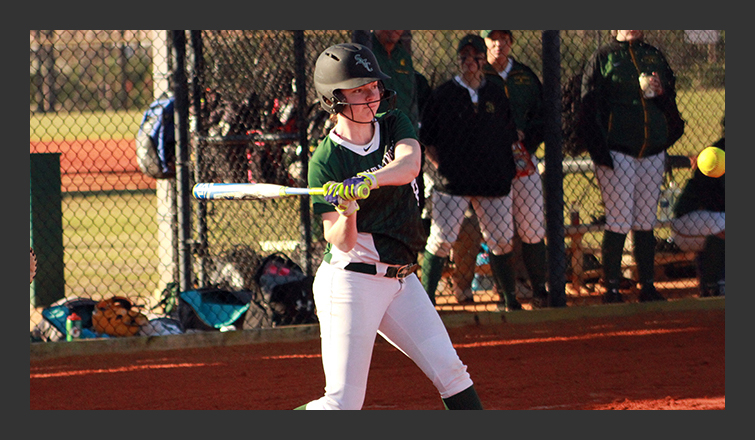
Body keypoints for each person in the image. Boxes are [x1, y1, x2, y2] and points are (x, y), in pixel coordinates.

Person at [299, 42, 483, 410]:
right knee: (342, 404)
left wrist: (369, 179)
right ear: (334, 99)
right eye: (360, 90)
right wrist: (348, 209)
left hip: (402, 279)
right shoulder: (325, 161)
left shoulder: (392, 122)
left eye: (374, 88)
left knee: (452, 373)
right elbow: (340, 241)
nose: (372, 97)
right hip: (352, 283)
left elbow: (410, 165)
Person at [579, 30, 685, 303]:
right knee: (619, 219)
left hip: (652, 149)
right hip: (617, 151)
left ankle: (647, 285)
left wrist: (661, 93)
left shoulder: (652, 55)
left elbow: (669, 98)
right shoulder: (603, 56)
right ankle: (611, 287)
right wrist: (600, 150)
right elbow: (587, 106)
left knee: (645, 221)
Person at [419, 34, 520, 311]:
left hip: (492, 180)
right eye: (464, 56)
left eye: (476, 56)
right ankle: (427, 302)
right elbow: (427, 139)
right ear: (459, 60)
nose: (470, 62)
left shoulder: (496, 94)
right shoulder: (443, 94)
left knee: (500, 240)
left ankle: (510, 299)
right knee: (441, 240)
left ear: (483, 60)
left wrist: (507, 169)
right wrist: (443, 167)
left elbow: (510, 136)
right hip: (453, 182)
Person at [671, 117, 725, 297]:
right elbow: (714, 200)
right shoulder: (717, 155)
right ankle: (714, 284)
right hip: (688, 220)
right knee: (724, 223)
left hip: (709, 221)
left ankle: (711, 283)